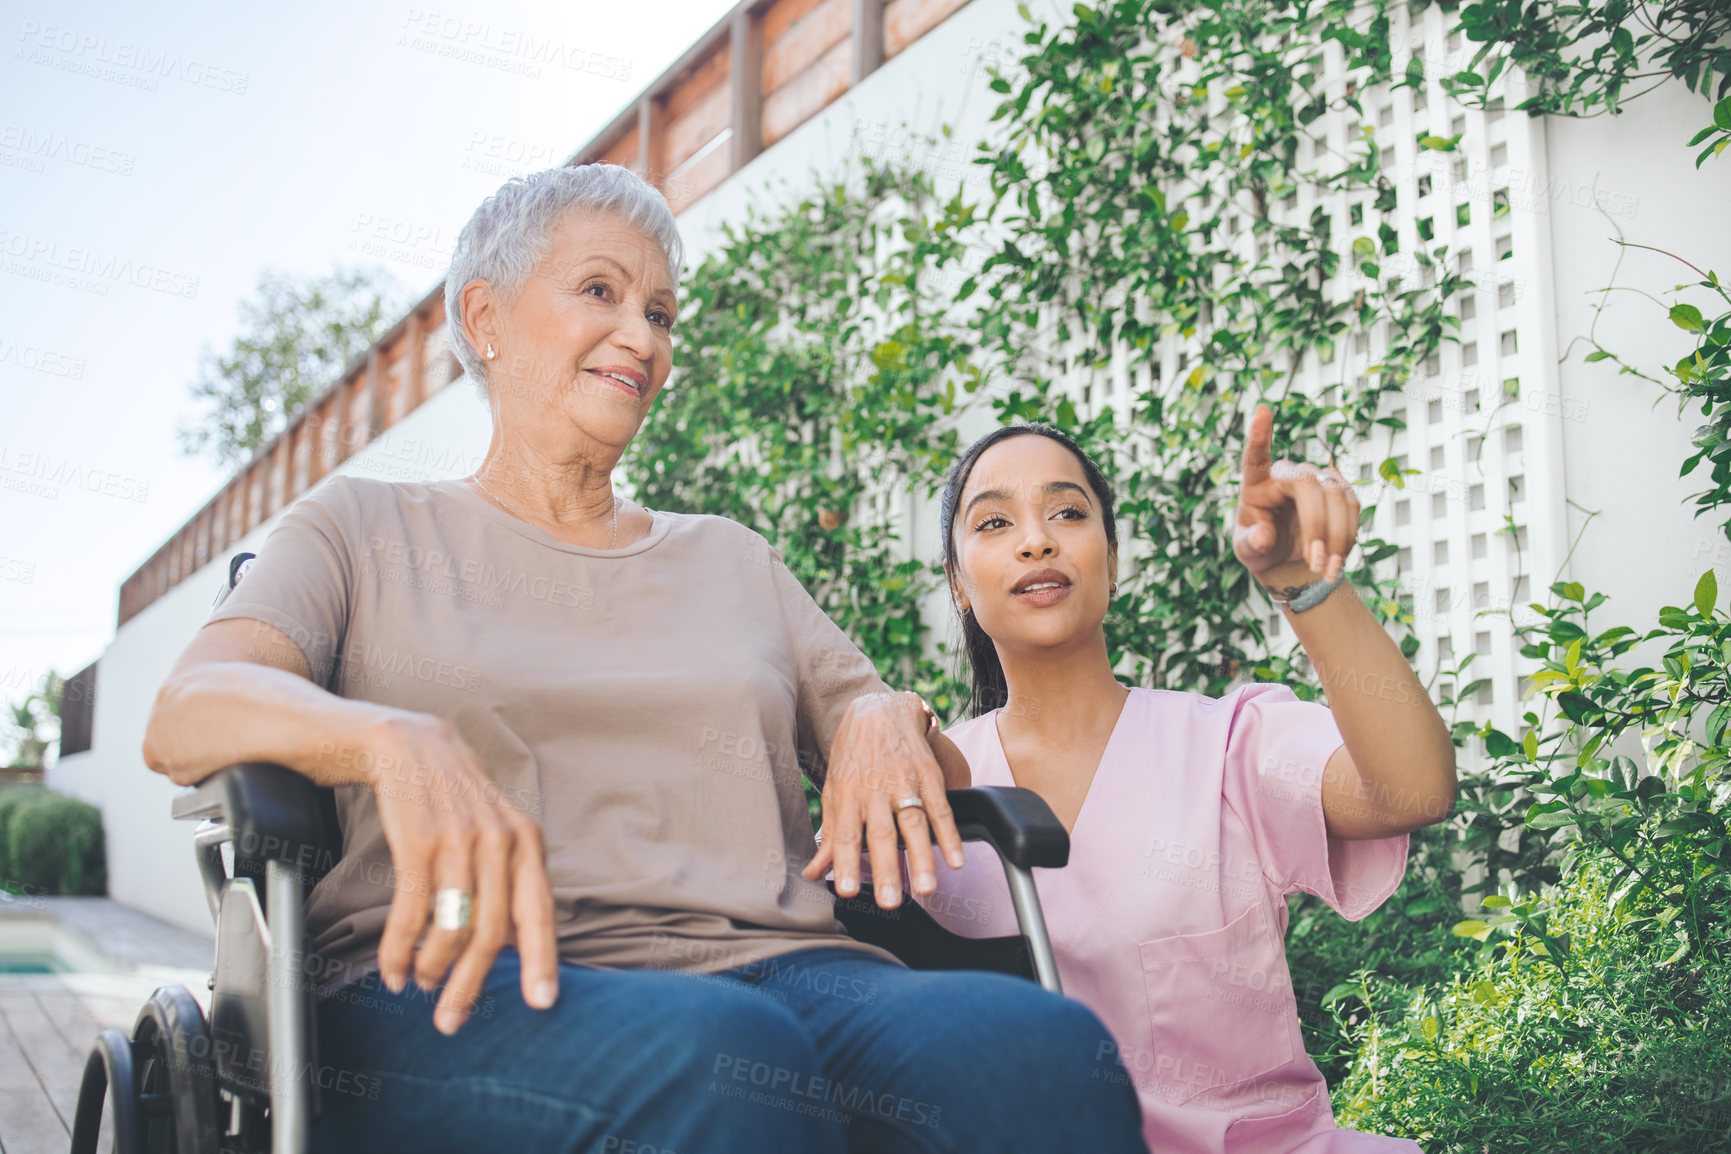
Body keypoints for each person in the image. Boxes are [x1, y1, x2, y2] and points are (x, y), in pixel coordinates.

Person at [141, 164, 1148, 1154]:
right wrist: (385, 742)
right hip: (466, 972)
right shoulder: (362, 525)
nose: (643, 337)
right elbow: (188, 707)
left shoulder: (731, 558)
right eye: (599, 292)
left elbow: (931, 773)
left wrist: (893, 713)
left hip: (789, 973)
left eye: (662, 313)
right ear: (486, 320)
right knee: (718, 1056)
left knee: (1046, 1048)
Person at [809, 416, 1455, 1152]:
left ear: (1112, 563)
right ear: (958, 584)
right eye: (994, 522)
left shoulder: (1228, 745)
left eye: (1067, 513)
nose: (1036, 540)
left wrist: (1303, 586)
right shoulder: (920, 785)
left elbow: (1413, 790)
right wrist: (879, 714)